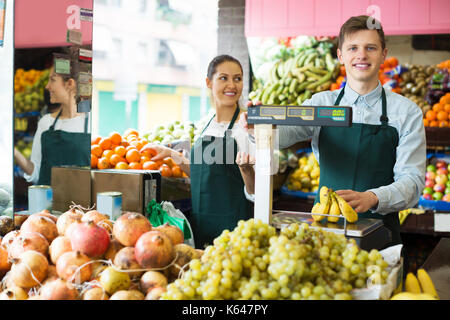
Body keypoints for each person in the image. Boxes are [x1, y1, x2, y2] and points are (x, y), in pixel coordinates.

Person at [239, 15, 426, 248]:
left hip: (380, 237)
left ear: (384, 54)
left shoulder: (407, 112)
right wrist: (260, 127)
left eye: (371, 48)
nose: (361, 55)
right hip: (325, 234)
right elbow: (283, 135)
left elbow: (413, 182)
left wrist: (372, 197)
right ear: (340, 55)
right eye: (353, 48)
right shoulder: (321, 105)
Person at [141, 55, 254, 248]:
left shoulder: (246, 127)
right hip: (203, 226)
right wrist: (171, 154)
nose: (232, 85)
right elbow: (201, 174)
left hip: (234, 230)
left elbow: (256, 192)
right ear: (208, 82)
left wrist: (246, 170)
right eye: (223, 78)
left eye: (237, 78)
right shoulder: (208, 125)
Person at [14, 52, 91, 186]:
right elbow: (36, 174)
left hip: (80, 206)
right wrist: (13, 151)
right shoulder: (46, 122)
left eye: (53, 79)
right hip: (48, 204)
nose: (47, 86)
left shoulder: (90, 124)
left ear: (70, 84)